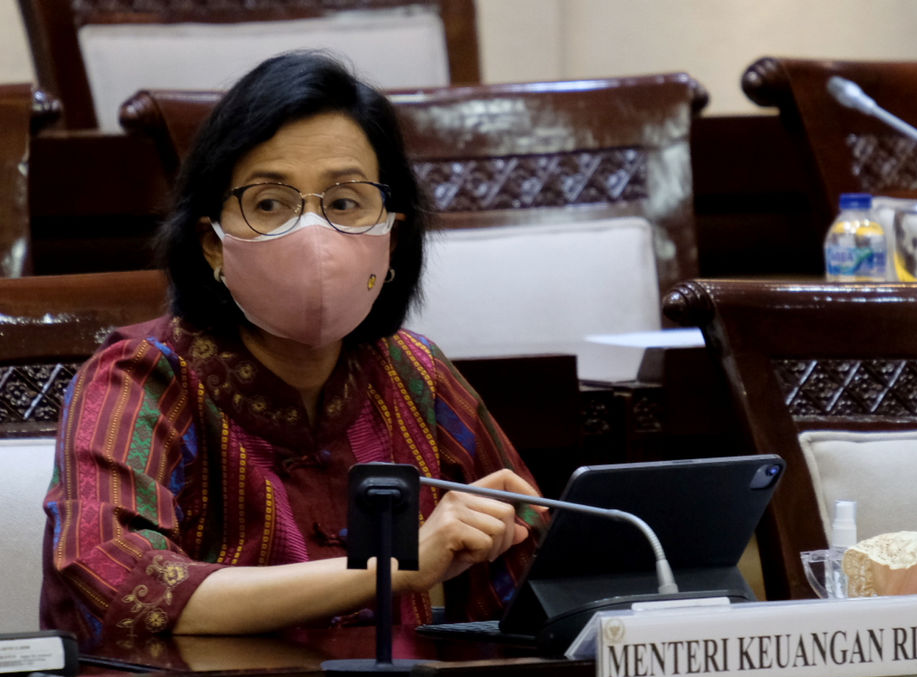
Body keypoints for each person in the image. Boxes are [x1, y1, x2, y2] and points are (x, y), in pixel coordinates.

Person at [40, 52, 544, 643]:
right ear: (212, 244)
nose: (314, 237)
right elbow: (121, 581)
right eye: (270, 204)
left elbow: (533, 586)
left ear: (392, 234)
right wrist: (394, 568)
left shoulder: (415, 371)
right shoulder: (142, 376)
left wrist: (506, 530)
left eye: (345, 203)